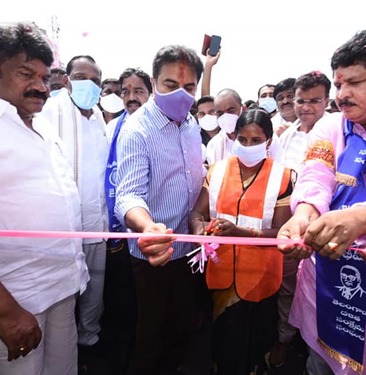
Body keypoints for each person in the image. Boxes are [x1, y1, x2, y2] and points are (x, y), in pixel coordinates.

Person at [0, 23, 87, 375]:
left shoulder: (38, 124)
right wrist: (6, 312)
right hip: (14, 303)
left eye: (45, 78)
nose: (40, 86)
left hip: (60, 290)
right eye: (25, 74)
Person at [113, 44, 210, 374]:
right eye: (171, 85)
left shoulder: (192, 125)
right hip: (154, 253)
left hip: (188, 249)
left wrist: (199, 216)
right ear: (154, 82)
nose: (181, 95)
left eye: (189, 88)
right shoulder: (137, 130)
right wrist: (148, 227)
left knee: (183, 324)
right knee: (150, 330)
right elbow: (127, 196)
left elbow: (198, 179)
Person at [278, 30, 366, 375]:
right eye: (339, 85)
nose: (342, 96)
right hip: (325, 289)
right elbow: (316, 176)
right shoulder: (330, 127)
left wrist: (360, 216)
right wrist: (303, 215)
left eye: (355, 83)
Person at [189, 109, 294, 374]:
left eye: (256, 140)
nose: (248, 146)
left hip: (260, 277)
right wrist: (200, 229)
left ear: (269, 142)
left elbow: (282, 230)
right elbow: (197, 213)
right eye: (243, 139)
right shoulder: (217, 171)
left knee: (251, 347)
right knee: (219, 345)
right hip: (218, 271)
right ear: (234, 138)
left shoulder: (283, 177)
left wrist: (240, 232)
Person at [37, 55, 109, 370]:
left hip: (97, 220)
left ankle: (89, 340)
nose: (87, 84)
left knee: (96, 285)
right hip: (62, 223)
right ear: (66, 80)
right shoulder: (50, 112)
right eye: (81, 76)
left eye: (94, 80)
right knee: (65, 290)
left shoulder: (100, 118)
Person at [271, 70, 332, 367]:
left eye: (314, 101)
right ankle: (285, 341)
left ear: (327, 101)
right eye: (301, 101)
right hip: (289, 227)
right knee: (287, 288)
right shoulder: (285, 137)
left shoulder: (338, 133)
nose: (306, 107)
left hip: (327, 232)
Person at [102, 67, 153, 375]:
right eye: (126, 92)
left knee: (146, 312)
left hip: (151, 235)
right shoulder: (111, 129)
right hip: (116, 234)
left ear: (150, 94)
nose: (131, 98)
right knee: (119, 305)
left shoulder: (158, 128)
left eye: (138, 91)